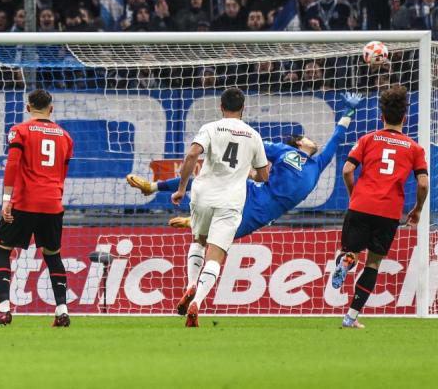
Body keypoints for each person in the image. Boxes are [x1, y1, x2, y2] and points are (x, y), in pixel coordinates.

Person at [128, 94, 363, 312]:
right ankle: (155, 187)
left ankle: (192, 231)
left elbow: (336, 138)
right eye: (307, 137)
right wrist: (249, 167)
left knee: (209, 235)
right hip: (254, 194)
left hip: (261, 208)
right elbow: (252, 148)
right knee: (209, 181)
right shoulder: (282, 150)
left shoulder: (318, 163)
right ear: (299, 142)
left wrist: (349, 113)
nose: (314, 141)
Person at [170, 88, 268, 327]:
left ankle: (191, 284)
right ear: (243, 108)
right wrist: (249, 172)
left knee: (198, 241)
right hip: (231, 200)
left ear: (221, 107)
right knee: (216, 255)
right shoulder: (253, 135)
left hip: (203, 194)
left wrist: (182, 188)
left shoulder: (211, 128)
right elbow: (264, 175)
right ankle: (198, 303)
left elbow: (193, 153)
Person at [332, 85, 428, 329]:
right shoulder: (414, 148)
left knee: (350, 250)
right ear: (404, 117)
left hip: (361, 205)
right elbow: (424, 183)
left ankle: (347, 259)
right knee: (373, 263)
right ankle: (351, 317)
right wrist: (417, 209)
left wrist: (355, 194)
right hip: (388, 212)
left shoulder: (368, 139)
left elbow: (347, 169)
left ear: (381, 115)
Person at [0, 90, 74, 328]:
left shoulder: (20, 130)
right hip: (53, 203)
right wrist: (55, 195)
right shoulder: (65, 136)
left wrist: (6, 198)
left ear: (27, 107)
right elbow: (63, 173)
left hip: (24, 202)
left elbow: (12, 164)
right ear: (51, 109)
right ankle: (62, 311)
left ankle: (3, 308)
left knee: (1, 250)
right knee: (53, 255)